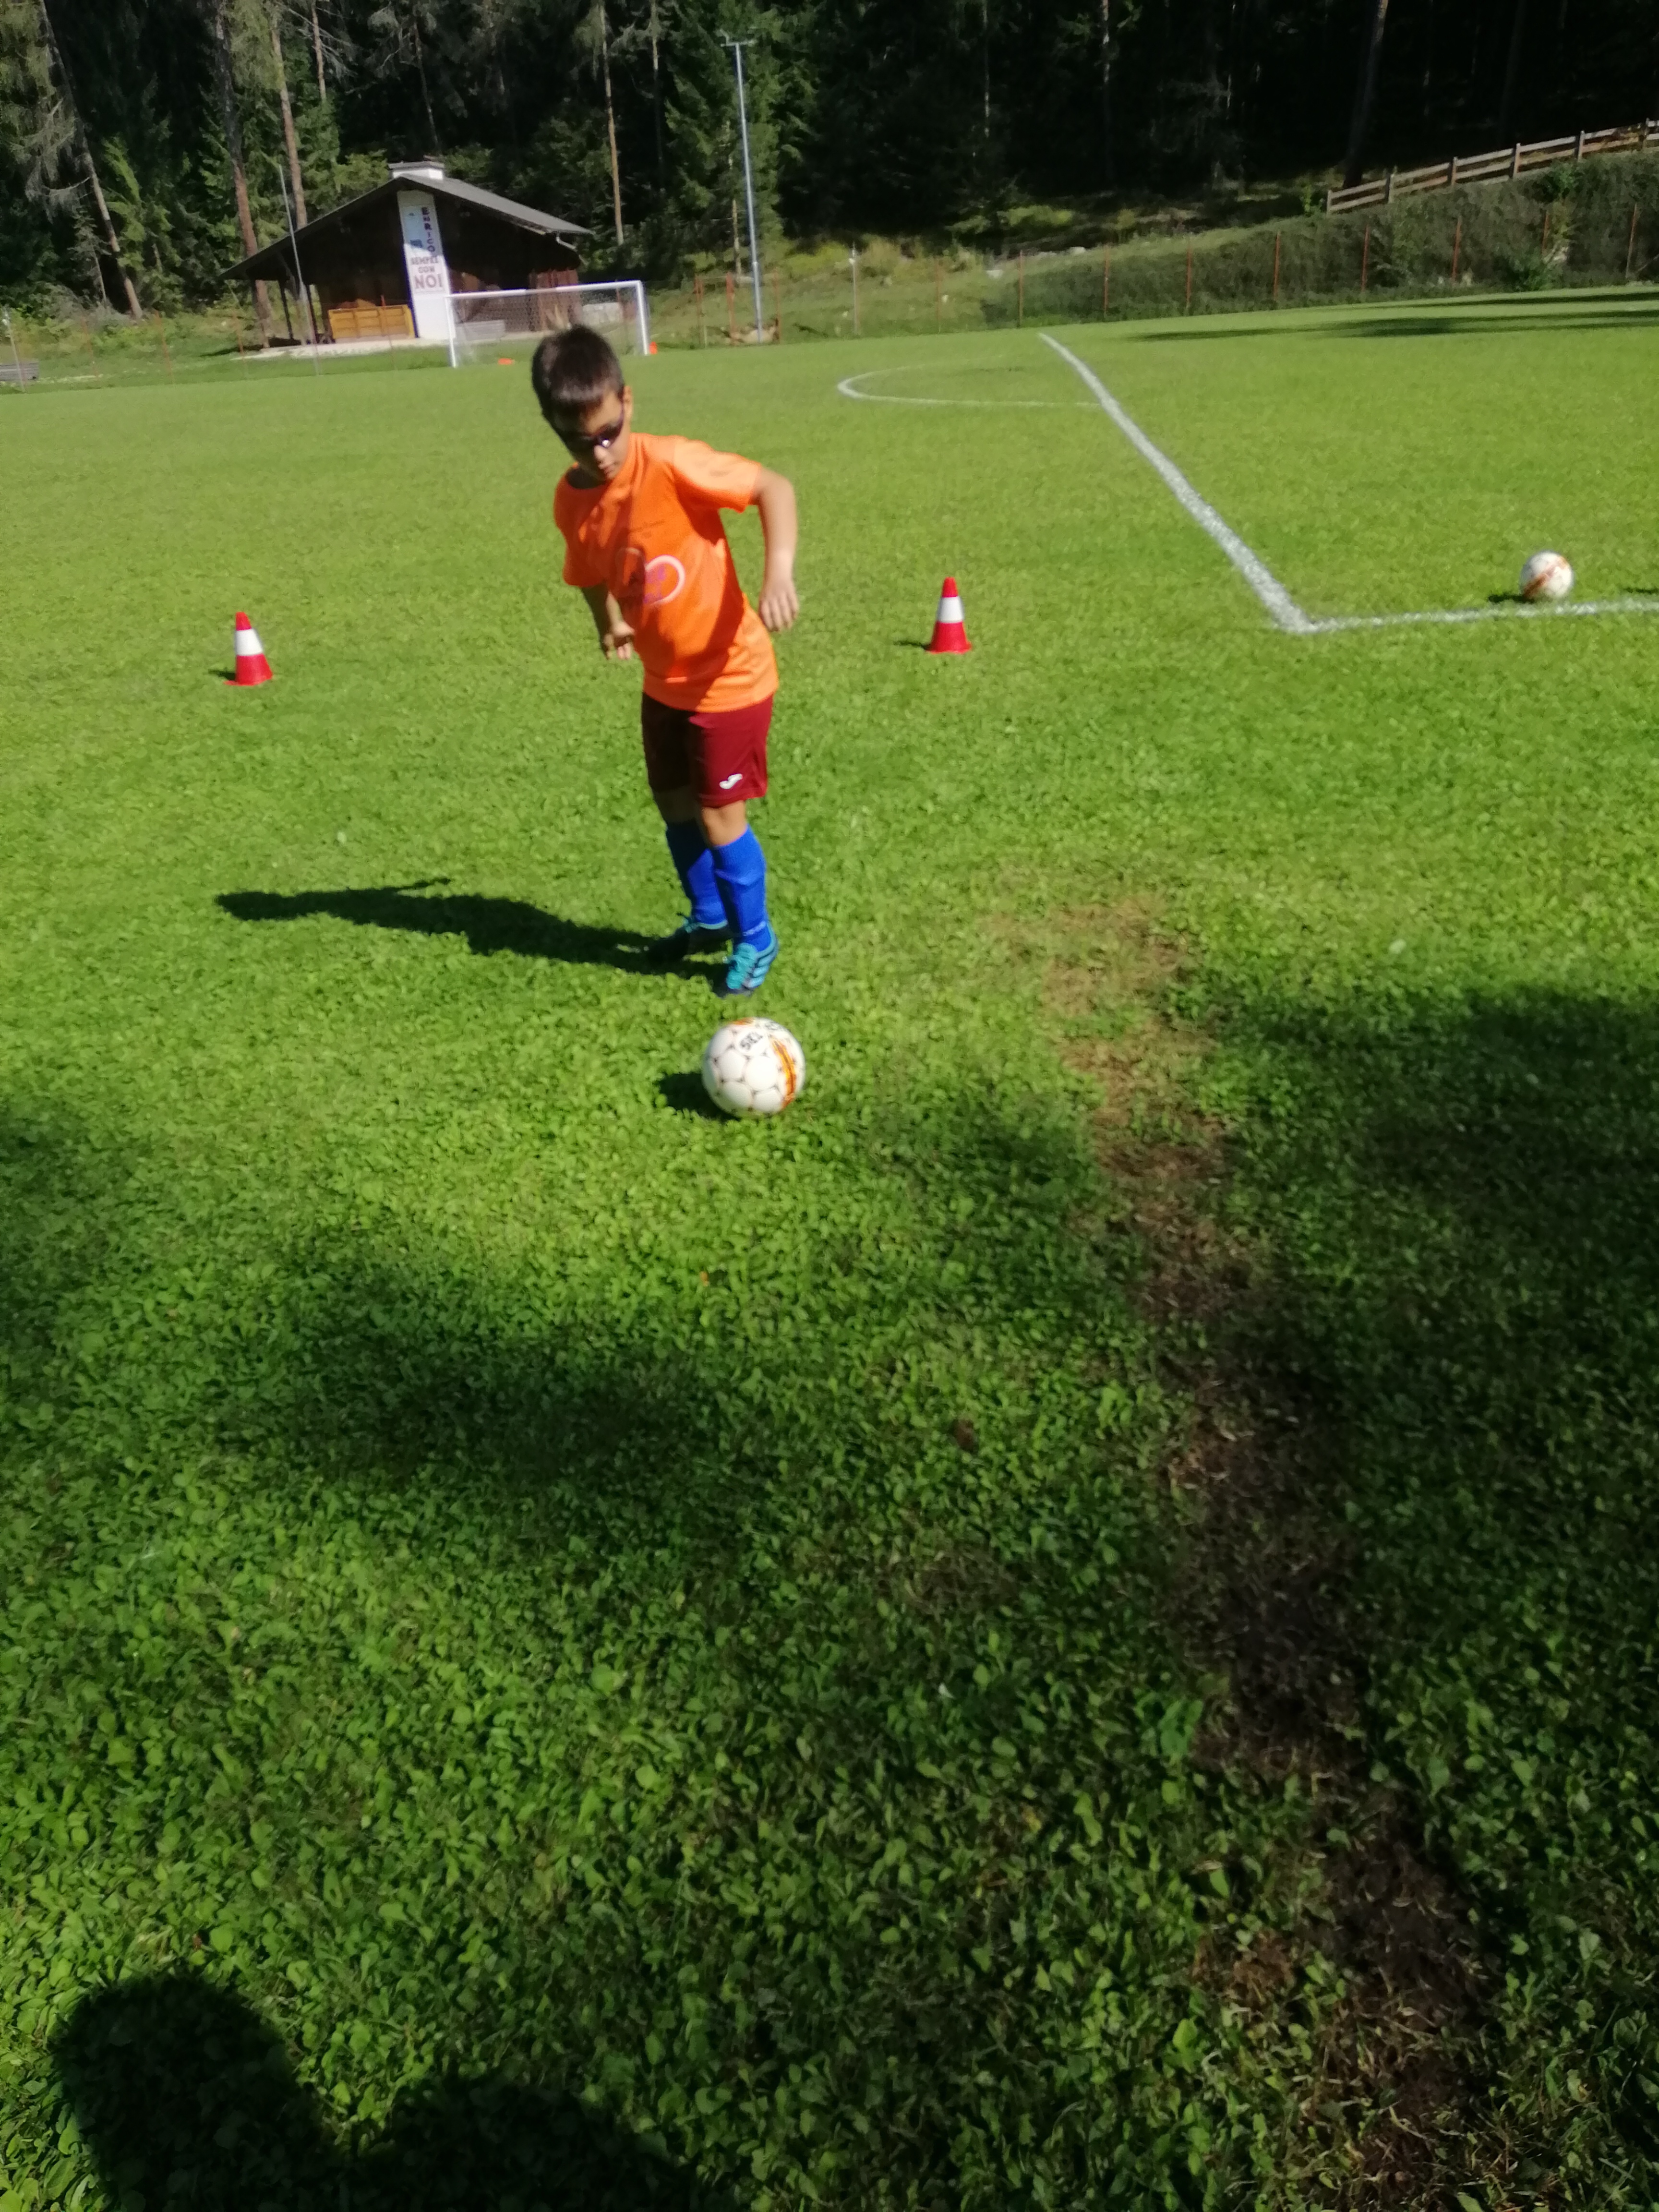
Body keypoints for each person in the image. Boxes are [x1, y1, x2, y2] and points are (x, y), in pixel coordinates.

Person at [535, 325, 799, 997]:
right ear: (555, 430)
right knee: (673, 802)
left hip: (730, 675)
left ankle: (755, 936)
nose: (600, 454)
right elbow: (588, 570)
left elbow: (774, 488)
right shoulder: (572, 500)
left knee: (718, 816)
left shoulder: (673, 463)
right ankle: (709, 916)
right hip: (665, 683)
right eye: (580, 441)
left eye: (609, 432)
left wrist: (777, 575)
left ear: (628, 402)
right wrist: (609, 622)